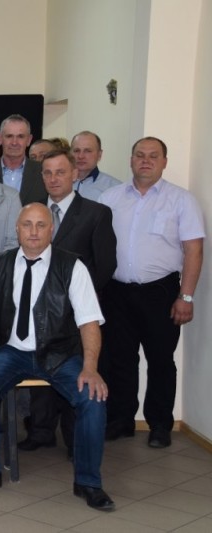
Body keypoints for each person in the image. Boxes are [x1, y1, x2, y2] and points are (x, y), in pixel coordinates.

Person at [0, 203, 114, 511]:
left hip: (59, 353)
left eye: (41, 225)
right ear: (17, 229)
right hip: (11, 352)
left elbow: (89, 322)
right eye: (27, 225)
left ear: (52, 230)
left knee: (92, 397)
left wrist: (90, 368)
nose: (33, 232)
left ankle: (88, 482)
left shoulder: (72, 266)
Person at [99, 137, 205, 448]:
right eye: (140, 155)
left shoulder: (181, 200)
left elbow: (194, 251)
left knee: (161, 360)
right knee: (120, 359)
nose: (146, 160)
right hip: (117, 292)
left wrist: (186, 296)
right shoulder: (110, 198)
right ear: (131, 160)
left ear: (164, 162)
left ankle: (159, 424)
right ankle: (121, 420)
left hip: (161, 292)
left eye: (153, 156)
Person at [19, 148, 116, 457]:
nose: (53, 178)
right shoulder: (34, 211)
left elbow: (105, 264)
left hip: (76, 317)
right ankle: (41, 431)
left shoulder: (96, 213)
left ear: (74, 174)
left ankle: (75, 441)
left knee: (75, 376)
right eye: (47, 173)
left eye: (60, 172)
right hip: (38, 313)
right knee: (41, 371)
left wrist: (78, 300)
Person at [0, 114, 47, 205]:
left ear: (29, 140)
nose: (14, 142)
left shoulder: (43, 172)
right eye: (9, 136)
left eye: (20, 136)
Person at [71, 131, 121, 201]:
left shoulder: (115, 189)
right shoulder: (59, 184)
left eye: (88, 151)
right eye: (76, 151)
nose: (80, 156)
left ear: (99, 154)